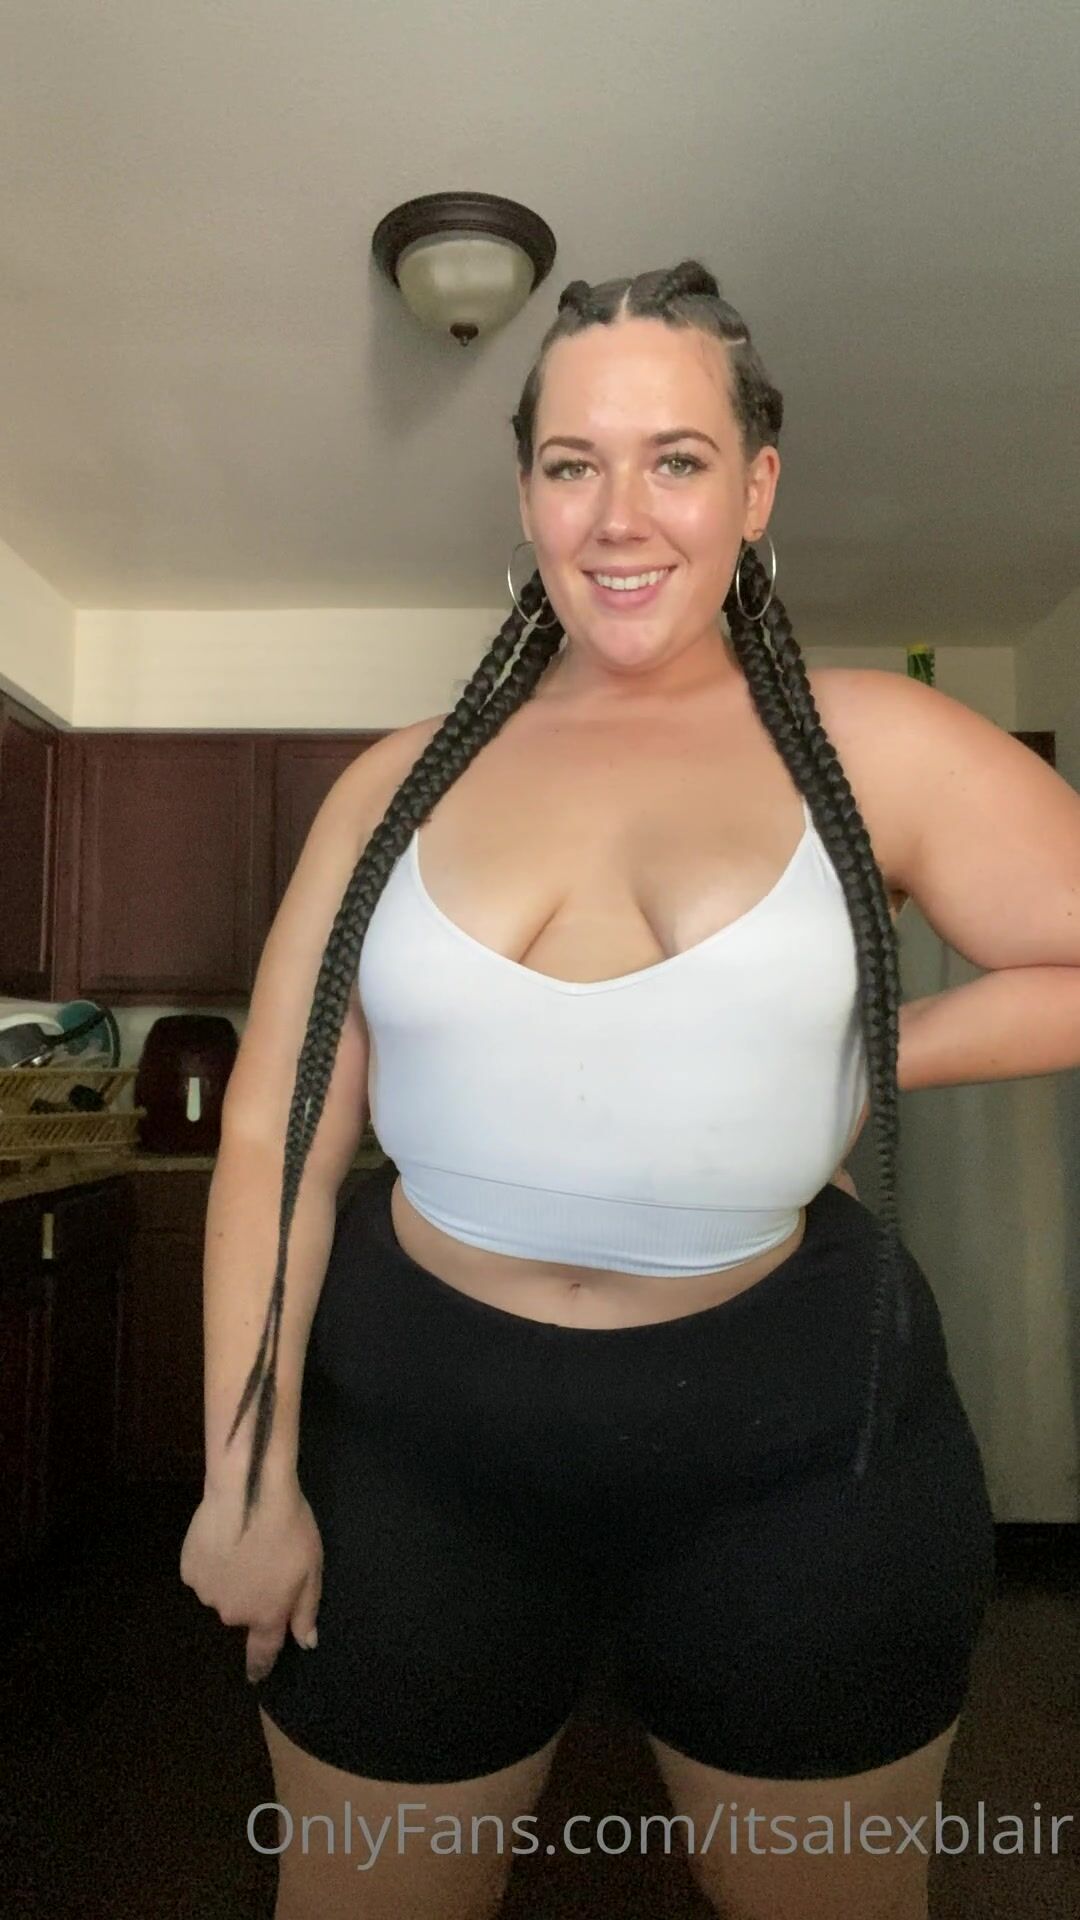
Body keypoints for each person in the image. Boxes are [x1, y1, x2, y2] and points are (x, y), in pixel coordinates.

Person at [181, 260, 1002, 1920]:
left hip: (801, 1454)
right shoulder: (390, 784)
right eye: (574, 463)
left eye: (677, 459)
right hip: (415, 1452)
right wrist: (244, 1477)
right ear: (528, 495)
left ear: (755, 489)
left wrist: (866, 1051)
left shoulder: (878, 744)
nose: (621, 515)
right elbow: (275, 1130)